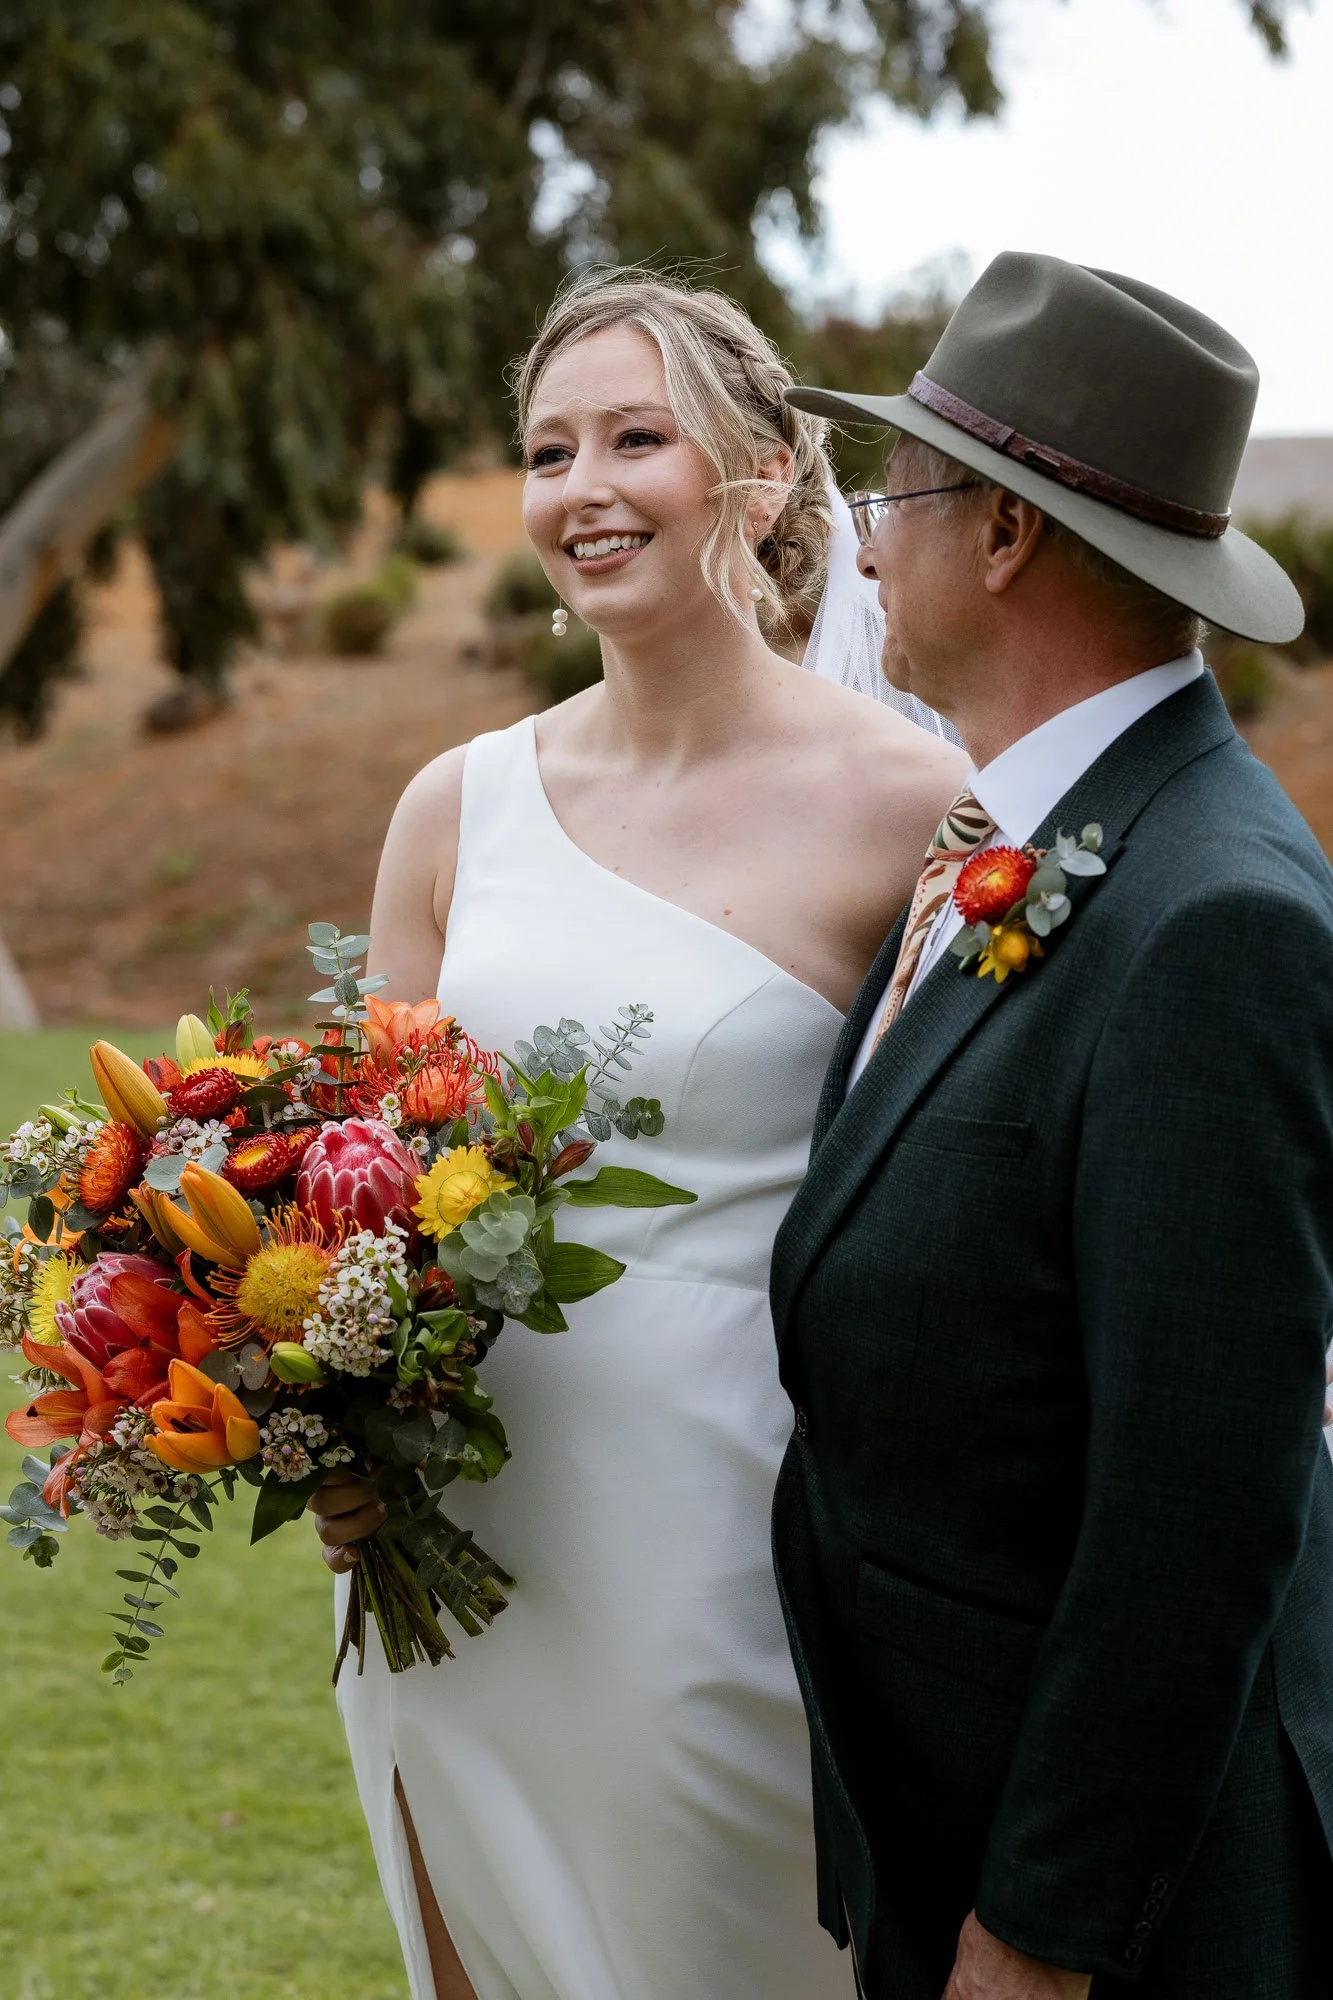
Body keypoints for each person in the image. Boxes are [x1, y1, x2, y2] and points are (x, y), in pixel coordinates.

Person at [310, 270, 965, 2000]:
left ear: (763, 473)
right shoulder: (453, 809)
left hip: (732, 1541)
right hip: (450, 1535)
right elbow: (345, 1192)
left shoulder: (915, 810)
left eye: (635, 439)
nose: (582, 488)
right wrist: (318, 1423)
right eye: (548, 451)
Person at [771, 250, 1333, 2000]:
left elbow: (1197, 1501)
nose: (867, 549)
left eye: (894, 500)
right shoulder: (1026, 837)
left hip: (1116, 1917)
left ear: (1005, 534)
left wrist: (1042, 1931)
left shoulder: (1215, 918)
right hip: (943, 1808)